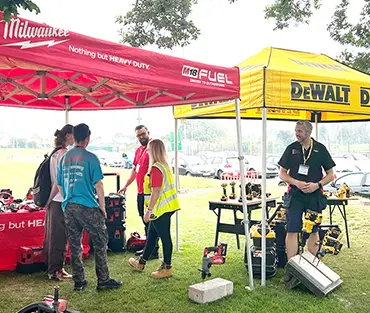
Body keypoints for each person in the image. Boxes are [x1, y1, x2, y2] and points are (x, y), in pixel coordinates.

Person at [57, 123, 122, 291]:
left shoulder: (64, 158)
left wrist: (67, 199)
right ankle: (103, 279)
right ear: (87, 138)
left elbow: (59, 185)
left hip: (69, 205)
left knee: (75, 243)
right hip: (86, 205)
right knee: (101, 240)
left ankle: (79, 280)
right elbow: (99, 185)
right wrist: (102, 208)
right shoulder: (91, 157)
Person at [278, 120, 335, 282]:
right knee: (292, 230)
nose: (297, 134)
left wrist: (317, 185)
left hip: (314, 196)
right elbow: (282, 173)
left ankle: (310, 267)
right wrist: (296, 182)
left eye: (300, 131)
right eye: (296, 131)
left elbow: (331, 174)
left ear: (308, 133)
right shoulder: (291, 148)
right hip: (295, 195)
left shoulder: (320, 149)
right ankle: (291, 269)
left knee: (313, 230)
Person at [128, 139, 180, 278]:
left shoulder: (156, 168)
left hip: (160, 209)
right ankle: (141, 262)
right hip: (166, 207)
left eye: (149, 149)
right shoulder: (164, 166)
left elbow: (156, 191)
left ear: (154, 151)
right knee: (151, 236)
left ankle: (167, 267)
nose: (147, 152)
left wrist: (149, 210)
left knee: (164, 238)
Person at [119, 125, 159, 259]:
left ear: (148, 132)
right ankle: (149, 247)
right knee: (144, 219)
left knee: (151, 221)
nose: (141, 137)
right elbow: (135, 171)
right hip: (140, 192)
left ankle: (154, 250)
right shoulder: (138, 151)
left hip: (150, 191)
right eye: (138, 135)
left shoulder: (153, 148)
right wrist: (125, 186)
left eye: (143, 134)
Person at [43, 124, 74, 281]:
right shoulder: (64, 154)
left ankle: (52, 268)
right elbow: (60, 181)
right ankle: (57, 270)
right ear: (68, 136)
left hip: (55, 200)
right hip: (61, 199)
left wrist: (48, 199)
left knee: (52, 235)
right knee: (60, 236)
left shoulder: (54, 153)